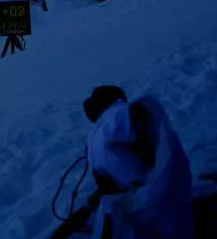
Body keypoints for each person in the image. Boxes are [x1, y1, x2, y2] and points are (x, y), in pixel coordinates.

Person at [83, 85, 194, 239]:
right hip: (150, 198)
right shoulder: (104, 127)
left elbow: (133, 113)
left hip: (151, 200)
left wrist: (144, 147)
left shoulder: (111, 116)